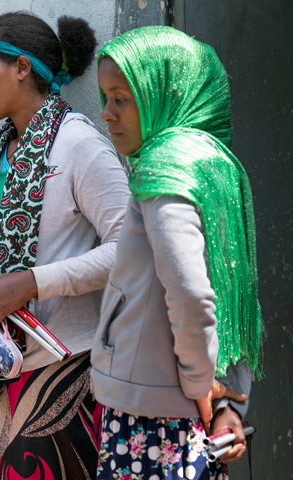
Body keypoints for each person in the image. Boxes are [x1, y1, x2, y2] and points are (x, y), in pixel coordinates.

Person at [0, 12, 130, 480]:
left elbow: (132, 248)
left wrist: (31, 283)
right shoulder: (2, 151)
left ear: (22, 68)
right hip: (6, 367)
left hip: (70, 369)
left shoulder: (78, 144)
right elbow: (23, 244)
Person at [91, 26, 260, 480]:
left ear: (163, 94)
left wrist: (201, 389)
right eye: (106, 98)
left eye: (121, 99)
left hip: (153, 417)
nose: (106, 114)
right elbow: (230, 295)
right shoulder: (211, 163)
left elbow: (192, 295)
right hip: (190, 410)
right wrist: (225, 400)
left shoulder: (164, 173)